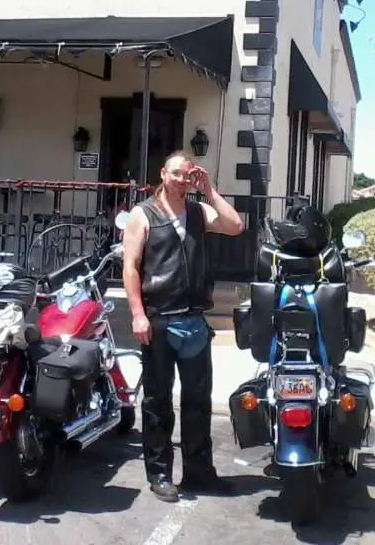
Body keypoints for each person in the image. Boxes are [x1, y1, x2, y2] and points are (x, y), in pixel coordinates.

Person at [121, 150, 245, 502]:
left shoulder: (198, 210)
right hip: (159, 320)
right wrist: (138, 314)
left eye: (188, 175)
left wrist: (211, 192)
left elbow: (235, 226)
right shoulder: (142, 214)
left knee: (197, 402)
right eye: (177, 173)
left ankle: (199, 473)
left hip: (193, 321)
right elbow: (130, 267)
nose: (182, 180)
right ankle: (160, 474)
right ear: (163, 173)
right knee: (158, 402)